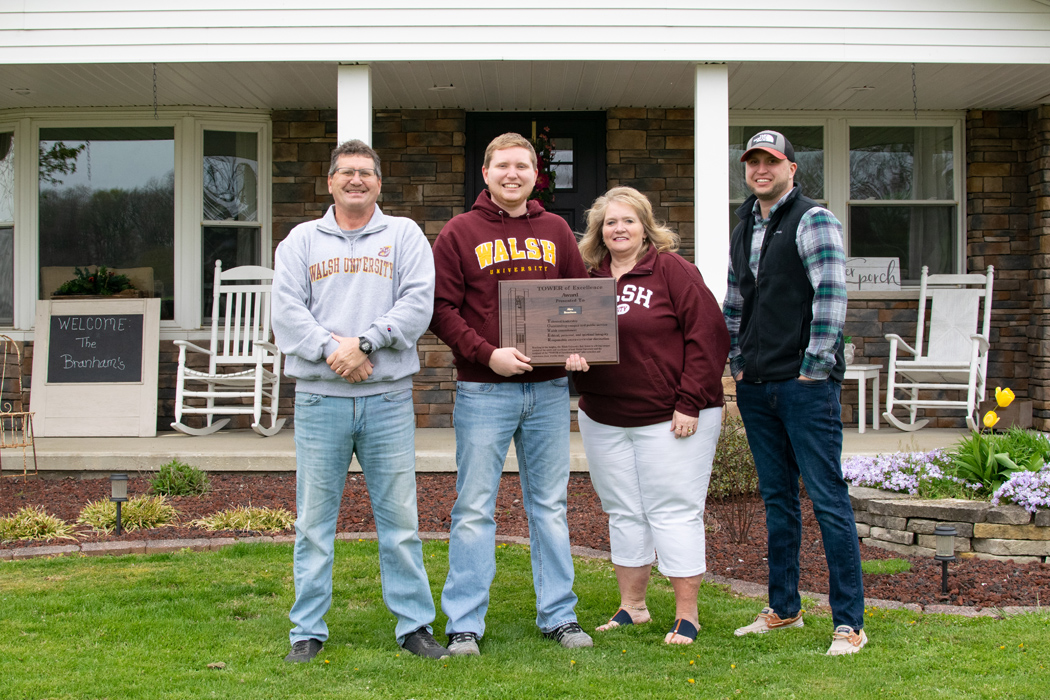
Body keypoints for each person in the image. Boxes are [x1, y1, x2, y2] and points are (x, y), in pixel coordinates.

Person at [272, 139, 448, 662]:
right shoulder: (302, 240)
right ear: (329, 182)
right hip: (320, 400)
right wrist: (334, 350)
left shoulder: (404, 235)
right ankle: (307, 630)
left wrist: (366, 342)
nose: (356, 180)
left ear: (377, 182)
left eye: (365, 173)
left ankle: (414, 626)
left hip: (388, 399)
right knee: (313, 523)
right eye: (346, 172)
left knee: (400, 523)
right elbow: (286, 310)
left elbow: (419, 302)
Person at [430, 132, 593, 656]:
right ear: (486, 173)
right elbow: (441, 310)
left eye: (522, 166)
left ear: (534, 175)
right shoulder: (459, 232)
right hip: (483, 391)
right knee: (475, 507)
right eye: (503, 166)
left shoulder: (556, 231)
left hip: (547, 391)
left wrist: (576, 345)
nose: (513, 174)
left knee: (549, 505)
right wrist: (487, 354)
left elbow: (578, 301)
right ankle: (464, 624)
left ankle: (559, 616)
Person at [724, 130, 867, 655]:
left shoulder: (814, 219)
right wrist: (736, 361)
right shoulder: (743, 225)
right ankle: (784, 609)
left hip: (804, 387)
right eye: (753, 161)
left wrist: (813, 366)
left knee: (829, 501)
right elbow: (735, 300)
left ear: (792, 167)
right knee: (778, 500)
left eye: (771, 161)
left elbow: (832, 293)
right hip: (757, 386)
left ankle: (849, 622)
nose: (761, 169)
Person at [570, 186, 729, 645]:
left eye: (629, 221)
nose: (619, 229)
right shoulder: (586, 279)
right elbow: (567, 334)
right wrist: (569, 356)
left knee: (674, 511)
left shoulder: (673, 271)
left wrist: (690, 401)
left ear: (646, 227)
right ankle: (632, 607)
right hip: (603, 416)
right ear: (599, 231)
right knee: (622, 511)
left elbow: (709, 337)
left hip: (671, 417)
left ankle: (687, 615)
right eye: (610, 223)